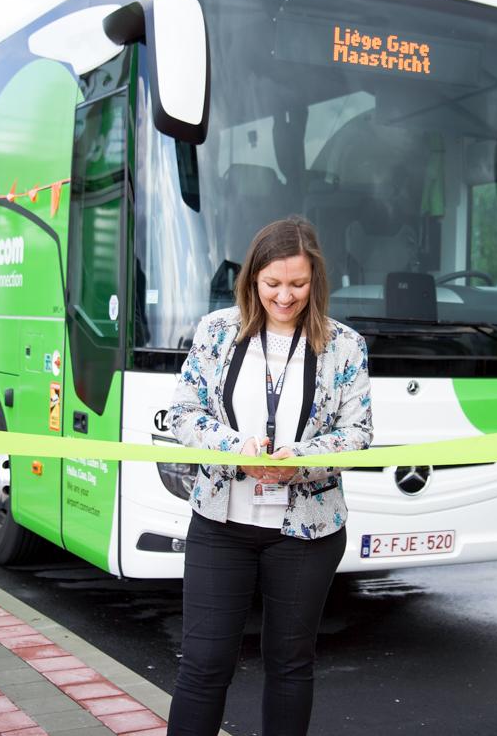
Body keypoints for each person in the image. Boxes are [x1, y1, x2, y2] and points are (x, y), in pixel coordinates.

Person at [166, 216, 372, 736]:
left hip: (306, 532)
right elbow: (183, 414)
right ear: (252, 279)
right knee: (204, 665)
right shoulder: (216, 331)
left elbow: (359, 432)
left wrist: (298, 457)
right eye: (272, 284)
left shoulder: (345, 345)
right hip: (221, 524)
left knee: (290, 664)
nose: (285, 296)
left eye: (298, 284)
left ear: (315, 281)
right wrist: (237, 449)